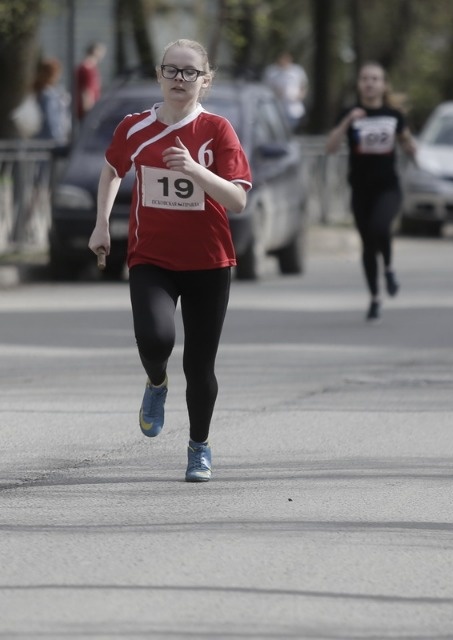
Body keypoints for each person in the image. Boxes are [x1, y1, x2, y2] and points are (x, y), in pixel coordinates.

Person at [87, 39, 252, 481]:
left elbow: (237, 199)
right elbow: (111, 169)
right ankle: (155, 383)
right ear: (159, 76)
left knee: (199, 367)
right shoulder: (134, 127)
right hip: (151, 257)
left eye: (190, 72)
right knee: (156, 339)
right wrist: (102, 224)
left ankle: (199, 447)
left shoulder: (218, 130)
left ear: (205, 80)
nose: (180, 79)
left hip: (209, 262)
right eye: (172, 71)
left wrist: (196, 171)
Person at [324, 61, 417, 322]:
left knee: (380, 228)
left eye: (375, 79)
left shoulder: (394, 115)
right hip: (360, 189)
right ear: (359, 84)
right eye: (365, 78)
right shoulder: (350, 114)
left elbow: (410, 146)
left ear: (384, 84)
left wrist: (409, 142)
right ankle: (375, 297)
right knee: (367, 244)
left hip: (388, 188)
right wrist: (346, 122)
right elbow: (330, 147)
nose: (370, 83)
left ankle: (388, 268)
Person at [263, 51, 308, 131]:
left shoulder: (297, 71)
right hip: (277, 108)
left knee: (292, 128)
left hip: (293, 108)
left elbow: (303, 86)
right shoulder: (272, 72)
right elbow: (266, 88)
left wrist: (300, 95)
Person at [33, 57, 70, 145]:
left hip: (41, 139)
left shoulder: (41, 92)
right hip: (51, 141)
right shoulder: (48, 95)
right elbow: (52, 121)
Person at [75, 42, 105, 121]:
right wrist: (89, 112)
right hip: (87, 110)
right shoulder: (88, 68)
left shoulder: (86, 67)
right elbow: (87, 91)